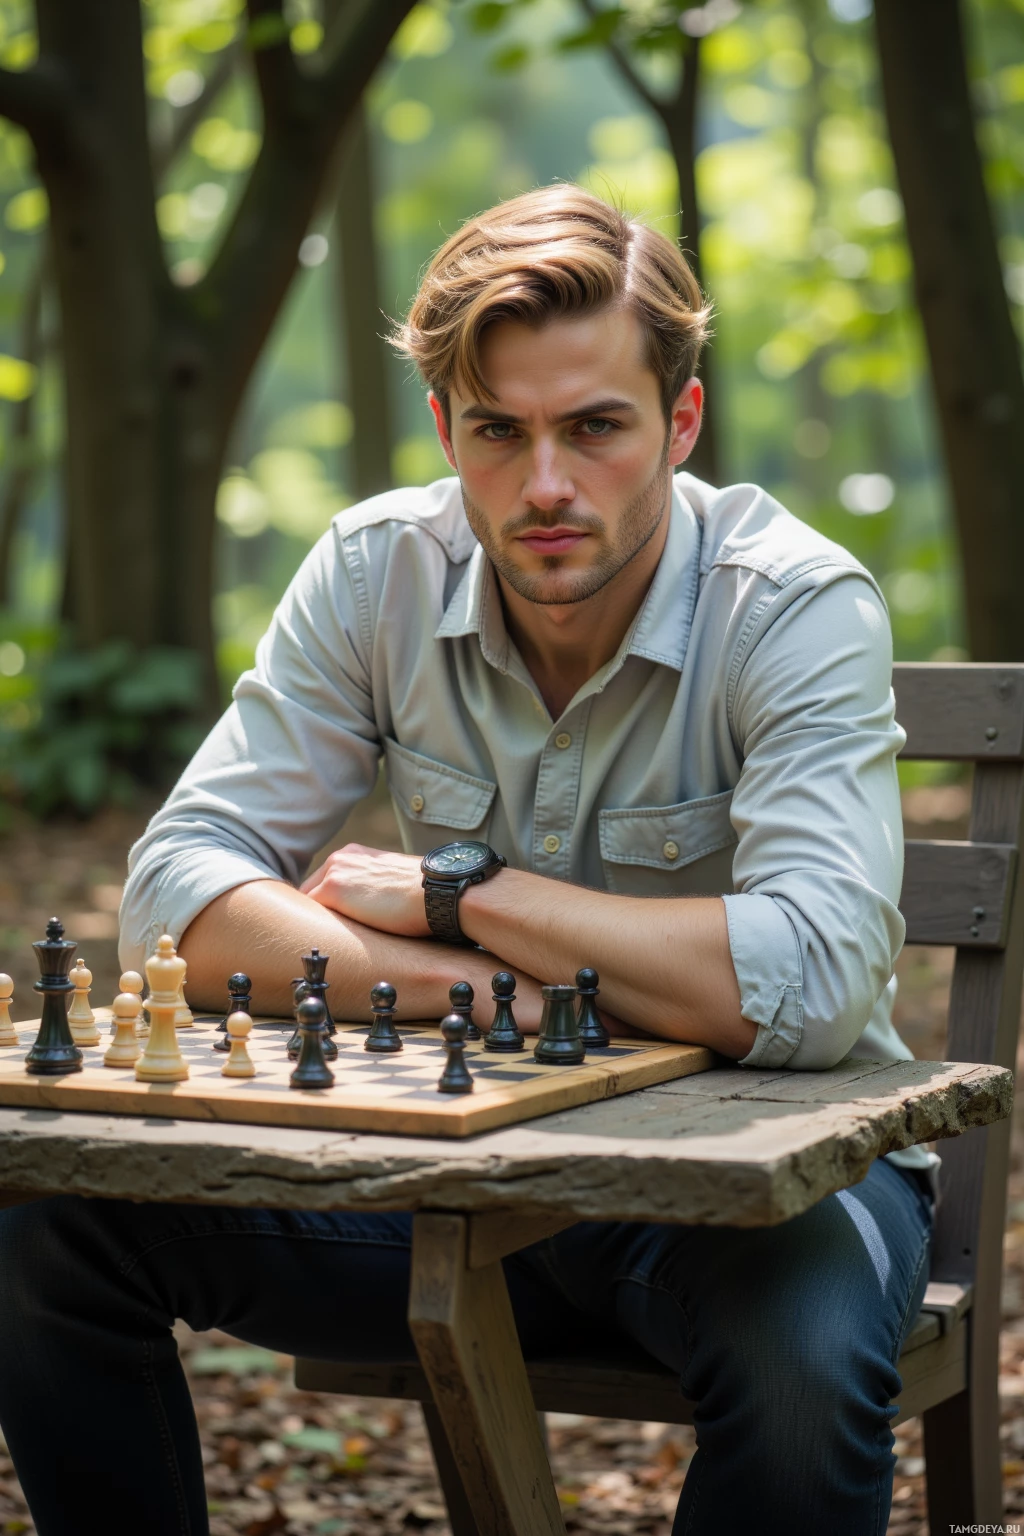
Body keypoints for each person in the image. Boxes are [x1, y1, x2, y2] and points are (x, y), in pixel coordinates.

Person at [0, 185, 934, 1536]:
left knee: (803, 1371)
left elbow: (807, 983)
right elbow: (181, 889)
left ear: (680, 422)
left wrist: (462, 894)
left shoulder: (794, 606)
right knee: (40, 1238)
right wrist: (496, 991)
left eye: (597, 428)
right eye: (499, 431)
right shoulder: (374, 570)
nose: (545, 484)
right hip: (435, 1178)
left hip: (752, 1200)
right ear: (447, 427)